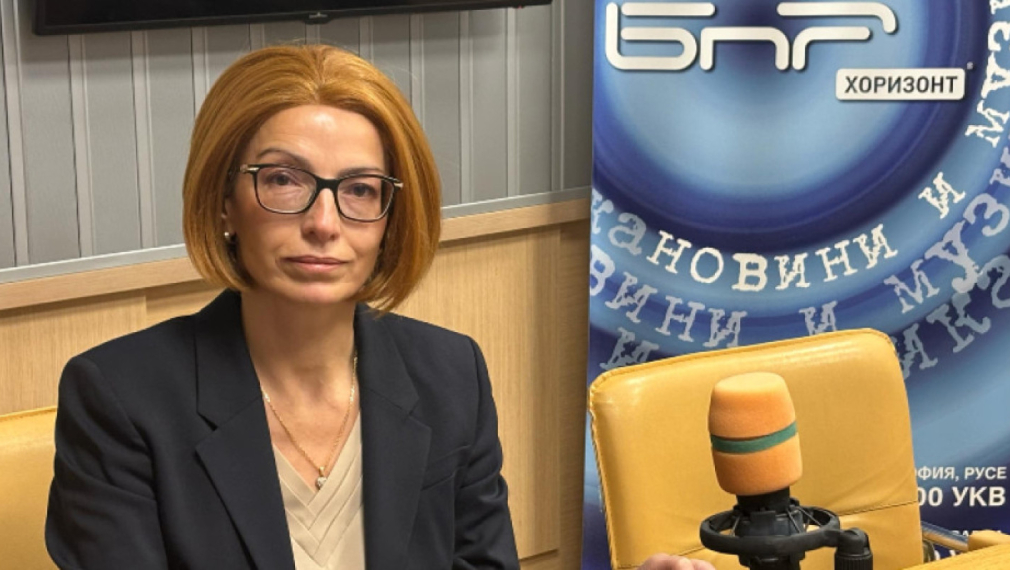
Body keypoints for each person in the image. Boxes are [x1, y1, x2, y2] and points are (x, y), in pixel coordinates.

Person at [44, 43, 716, 570]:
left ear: (391, 218)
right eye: (284, 180)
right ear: (224, 203)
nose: (324, 223)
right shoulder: (120, 397)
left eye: (361, 190)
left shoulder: (450, 373)